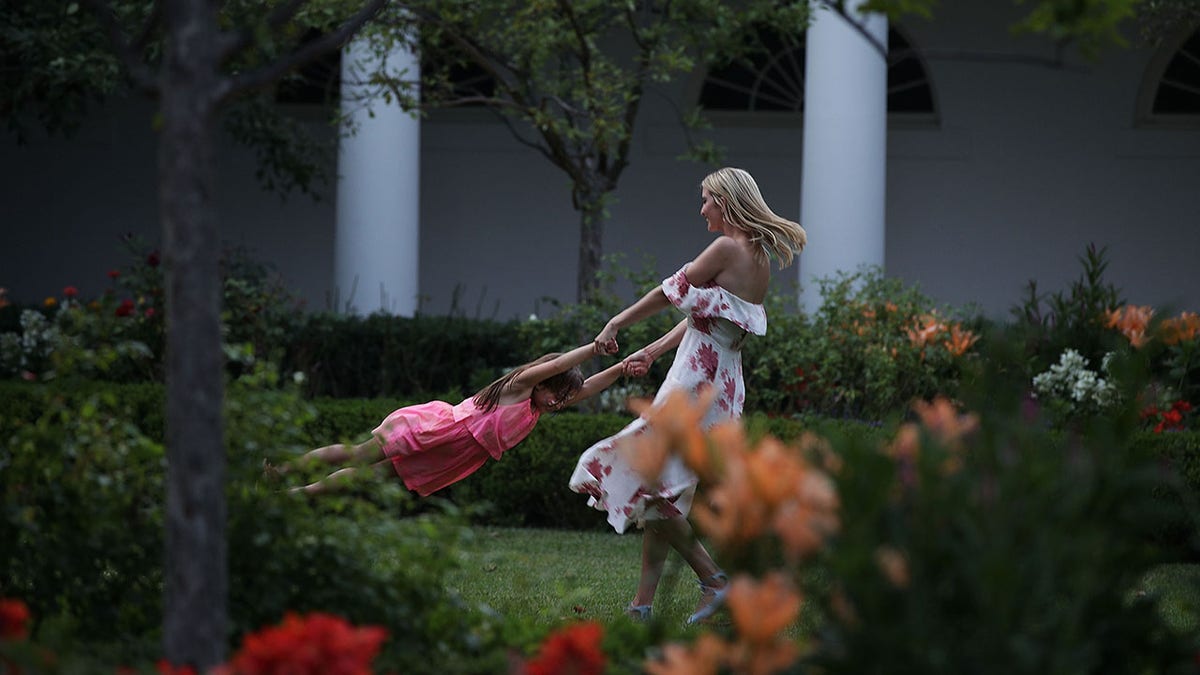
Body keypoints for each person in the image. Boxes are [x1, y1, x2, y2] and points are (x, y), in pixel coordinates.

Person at [569, 167, 807, 625]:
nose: (702, 211)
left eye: (706, 201)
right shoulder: (755, 258)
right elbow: (707, 317)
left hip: (697, 382)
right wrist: (653, 350)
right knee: (664, 492)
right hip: (720, 381)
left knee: (649, 482)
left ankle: (714, 580)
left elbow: (671, 292)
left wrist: (617, 323)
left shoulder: (725, 248)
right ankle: (641, 607)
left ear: (725, 201)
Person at [277, 343, 632, 497]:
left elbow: (586, 388)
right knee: (359, 455)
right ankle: (282, 472)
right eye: (555, 392)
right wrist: (594, 348)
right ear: (542, 382)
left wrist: (623, 366)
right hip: (438, 431)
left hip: (452, 454)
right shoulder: (519, 387)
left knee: (368, 477)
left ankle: (297, 495)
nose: (559, 402)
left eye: (562, 398)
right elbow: (557, 366)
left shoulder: (537, 407)